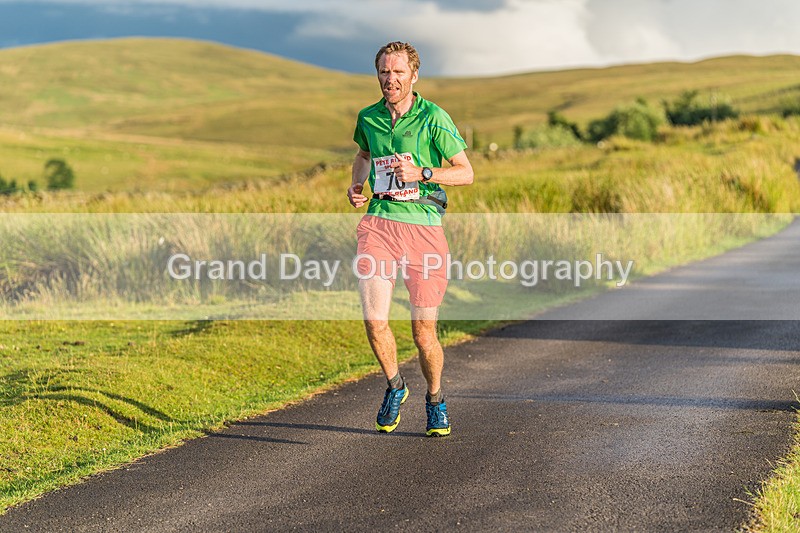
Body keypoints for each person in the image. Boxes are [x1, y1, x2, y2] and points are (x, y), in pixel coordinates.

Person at [347, 41, 474, 437]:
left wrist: (423, 174)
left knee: (423, 333)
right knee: (374, 320)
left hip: (424, 230)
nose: (391, 79)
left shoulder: (433, 117)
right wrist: (356, 184)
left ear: (413, 76)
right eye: (385, 72)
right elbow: (364, 156)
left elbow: (465, 172)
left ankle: (435, 399)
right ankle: (395, 387)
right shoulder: (368, 117)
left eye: (398, 72)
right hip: (379, 223)